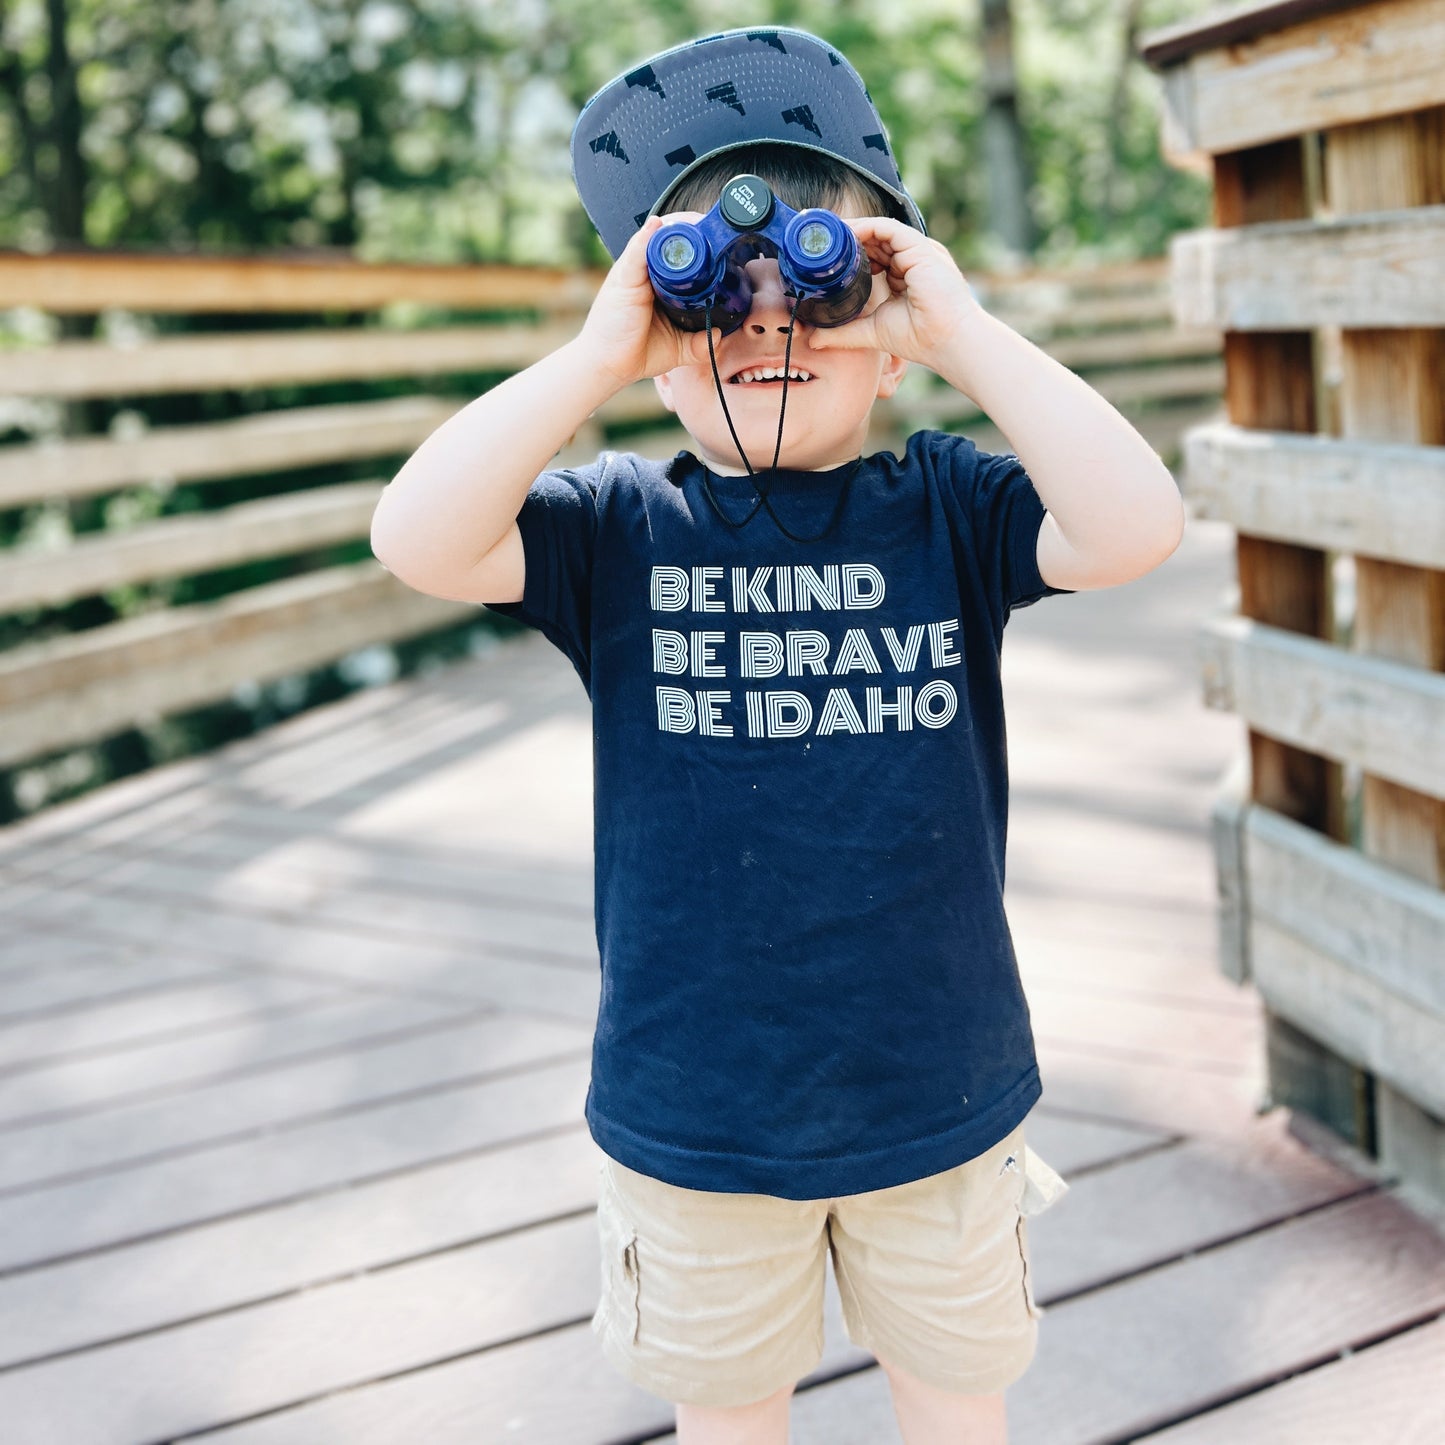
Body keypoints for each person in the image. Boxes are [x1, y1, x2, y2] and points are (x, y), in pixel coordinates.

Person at [370, 25, 1185, 1445]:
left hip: (937, 1084)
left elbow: (1136, 526)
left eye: (816, 280)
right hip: (694, 1107)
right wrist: (594, 353)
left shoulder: (948, 506)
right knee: (730, 1415)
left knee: (954, 1405)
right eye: (710, 299)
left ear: (884, 340)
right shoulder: (617, 526)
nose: (766, 319)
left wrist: (960, 329)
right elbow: (417, 538)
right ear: (659, 341)